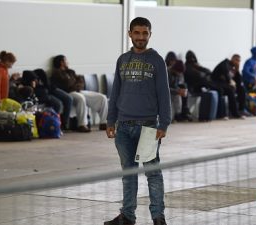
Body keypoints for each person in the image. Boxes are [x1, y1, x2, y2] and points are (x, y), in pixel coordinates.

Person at [105, 17, 171, 225]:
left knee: (152, 174)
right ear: (130, 33)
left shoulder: (156, 60)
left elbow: (163, 93)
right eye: (137, 33)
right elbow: (115, 91)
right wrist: (110, 120)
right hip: (123, 126)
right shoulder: (122, 60)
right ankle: (127, 216)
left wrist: (164, 123)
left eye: (145, 33)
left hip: (149, 126)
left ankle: (158, 217)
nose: (141, 37)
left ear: (150, 34)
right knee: (129, 174)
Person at [51, 55, 108, 132]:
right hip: (68, 93)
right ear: (62, 62)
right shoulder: (57, 73)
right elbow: (67, 84)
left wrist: (75, 84)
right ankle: (82, 124)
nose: (68, 62)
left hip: (78, 90)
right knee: (81, 98)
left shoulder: (71, 71)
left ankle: (104, 123)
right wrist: (75, 83)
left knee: (102, 97)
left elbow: (81, 81)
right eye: (66, 61)